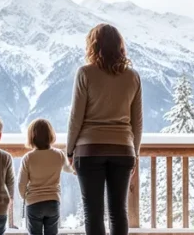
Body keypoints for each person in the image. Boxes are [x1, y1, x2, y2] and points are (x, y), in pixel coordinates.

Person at [66, 23, 143, 235]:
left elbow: (76, 117)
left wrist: (70, 150)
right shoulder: (133, 77)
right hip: (123, 150)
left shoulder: (85, 73)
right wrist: (134, 153)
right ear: (120, 46)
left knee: (93, 213)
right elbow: (137, 122)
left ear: (93, 45)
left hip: (89, 150)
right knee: (119, 212)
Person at [18, 119, 74, 235]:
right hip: (53, 201)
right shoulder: (58, 154)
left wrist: (25, 196)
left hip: (34, 203)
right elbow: (70, 169)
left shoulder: (28, 158)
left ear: (31, 137)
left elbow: (21, 184)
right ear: (51, 135)